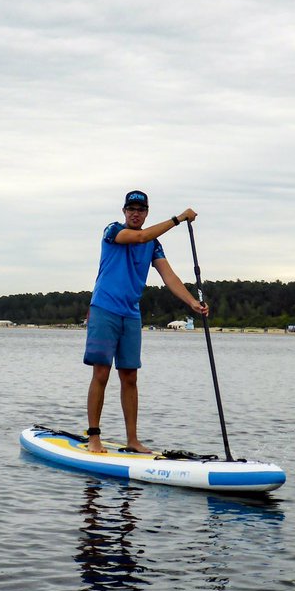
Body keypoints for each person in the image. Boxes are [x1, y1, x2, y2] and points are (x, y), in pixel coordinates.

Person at [83, 190, 208, 454]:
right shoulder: (113, 230)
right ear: (124, 211)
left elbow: (169, 277)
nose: (135, 214)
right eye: (131, 209)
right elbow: (140, 236)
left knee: (130, 376)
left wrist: (192, 303)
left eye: (140, 210)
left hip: (131, 313)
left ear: (146, 212)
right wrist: (178, 219)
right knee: (101, 373)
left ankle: (133, 440)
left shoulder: (154, 245)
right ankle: (94, 437)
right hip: (104, 308)